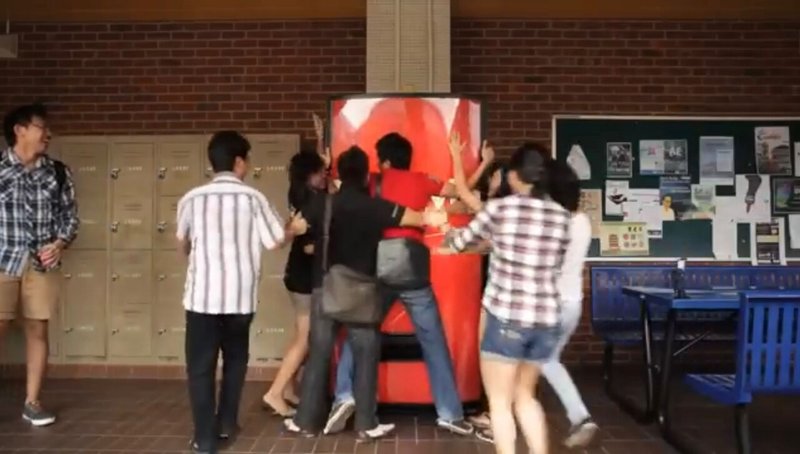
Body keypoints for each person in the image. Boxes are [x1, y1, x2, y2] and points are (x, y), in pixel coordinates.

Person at [327, 133, 487, 436]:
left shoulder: (373, 181)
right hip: (412, 267)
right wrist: (460, 157)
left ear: (385, 160)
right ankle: (450, 414)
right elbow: (462, 194)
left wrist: (326, 165)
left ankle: (344, 395)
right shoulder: (423, 180)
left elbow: (341, 187)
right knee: (433, 339)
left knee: (359, 331)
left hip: (378, 266)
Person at [449, 139, 598, 447]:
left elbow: (462, 242)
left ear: (514, 176)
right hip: (545, 319)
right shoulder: (562, 217)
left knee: (500, 404)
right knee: (526, 397)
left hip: (506, 317)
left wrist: (454, 239)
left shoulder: (501, 208)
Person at [284, 146, 432, 441]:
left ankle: (305, 423)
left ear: (339, 174)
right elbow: (417, 219)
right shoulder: (376, 206)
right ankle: (366, 424)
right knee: (366, 356)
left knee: (319, 354)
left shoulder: (323, 204)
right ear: (366, 176)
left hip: (325, 288)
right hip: (363, 292)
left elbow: (294, 228)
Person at [176, 130, 306, 454]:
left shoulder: (191, 199)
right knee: (235, 363)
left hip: (201, 299)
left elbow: (183, 244)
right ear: (238, 162)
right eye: (247, 160)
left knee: (200, 368)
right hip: (239, 299)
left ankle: (204, 438)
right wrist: (295, 229)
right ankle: (226, 424)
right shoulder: (253, 198)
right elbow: (274, 240)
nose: (248, 165)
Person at [0, 103, 79, 427]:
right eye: (41, 127)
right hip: (3, 260)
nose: (48, 133)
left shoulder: (57, 172)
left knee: (38, 329)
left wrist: (59, 243)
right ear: (20, 130)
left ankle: (32, 403)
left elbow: (70, 218)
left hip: (41, 264)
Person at [261, 132, 329, 417]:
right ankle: (275, 393)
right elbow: (311, 246)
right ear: (310, 175)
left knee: (301, 333)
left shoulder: (297, 193)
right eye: (321, 172)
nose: (325, 176)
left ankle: (288, 389)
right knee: (305, 337)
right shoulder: (313, 202)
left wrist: (320, 142)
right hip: (305, 277)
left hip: (296, 273)